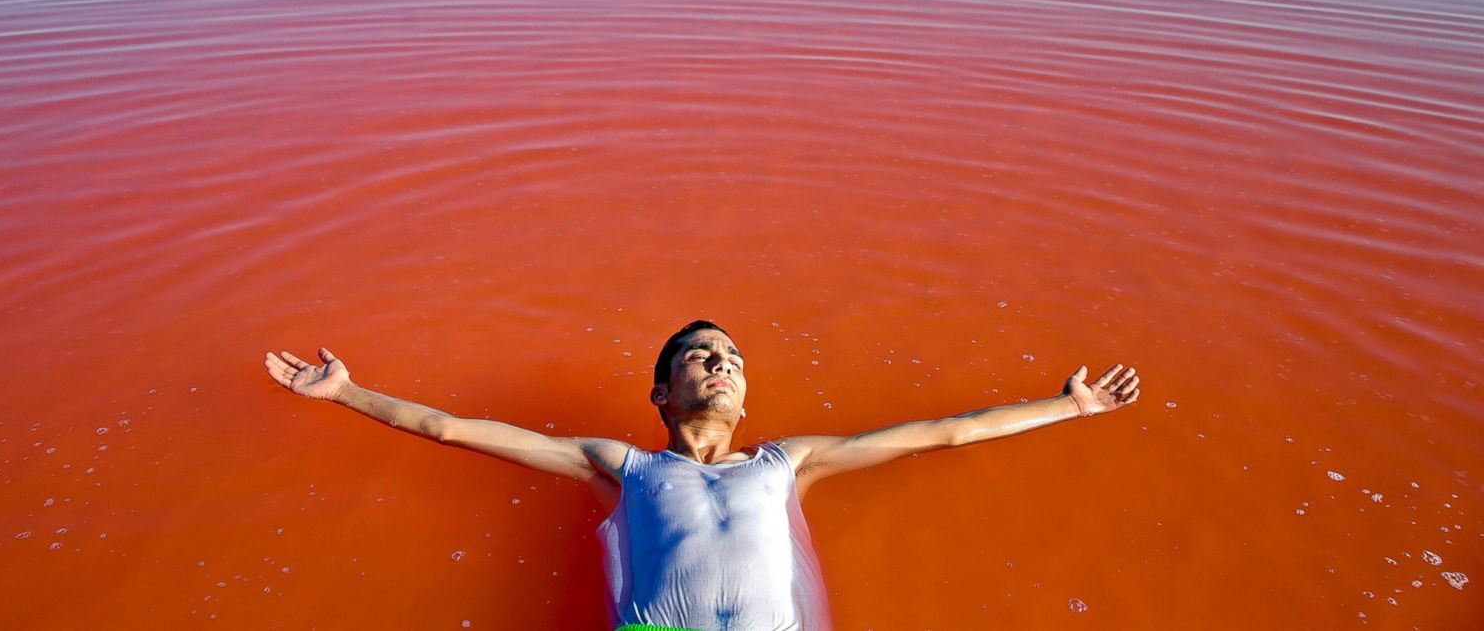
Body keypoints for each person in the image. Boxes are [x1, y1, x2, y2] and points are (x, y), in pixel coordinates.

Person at [264, 320, 1140, 631]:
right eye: (698, 356)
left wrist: (1070, 407)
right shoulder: (619, 464)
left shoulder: (787, 459)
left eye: (731, 357)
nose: (719, 363)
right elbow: (454, 429)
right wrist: (346, 393)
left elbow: (944, 434)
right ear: (662, 389)